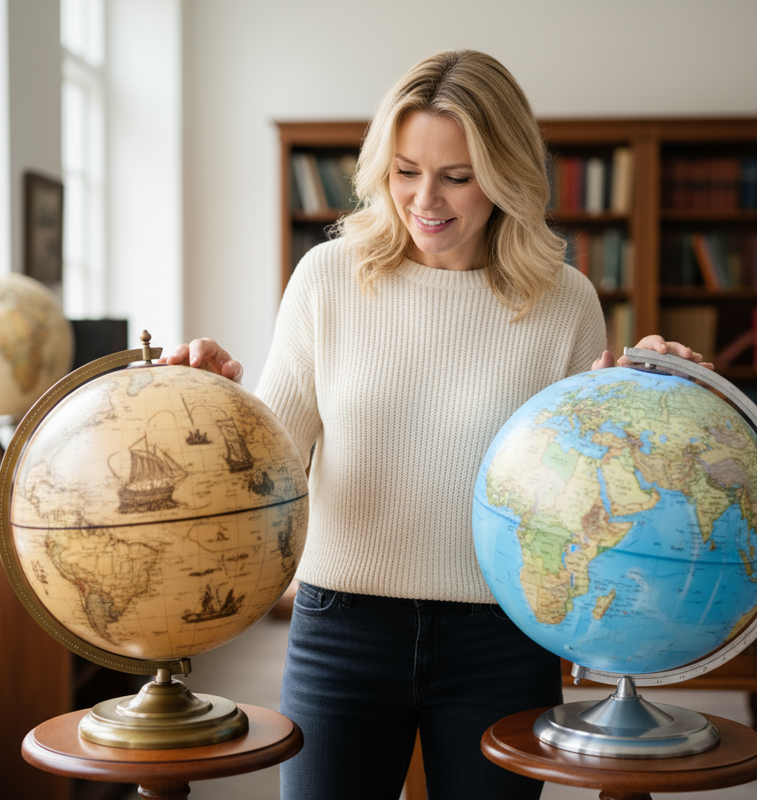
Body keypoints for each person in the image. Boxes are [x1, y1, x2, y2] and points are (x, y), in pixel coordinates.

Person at [163, 49, 707, 800]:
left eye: (458, 176)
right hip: (341, 630)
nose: (427, 199)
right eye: (405, 170)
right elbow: (268, 464)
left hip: (502, 639)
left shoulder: (564, 300)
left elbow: (586, 480)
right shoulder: (327, 280)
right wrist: (203, 401)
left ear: (508, 174)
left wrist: (653, 393)